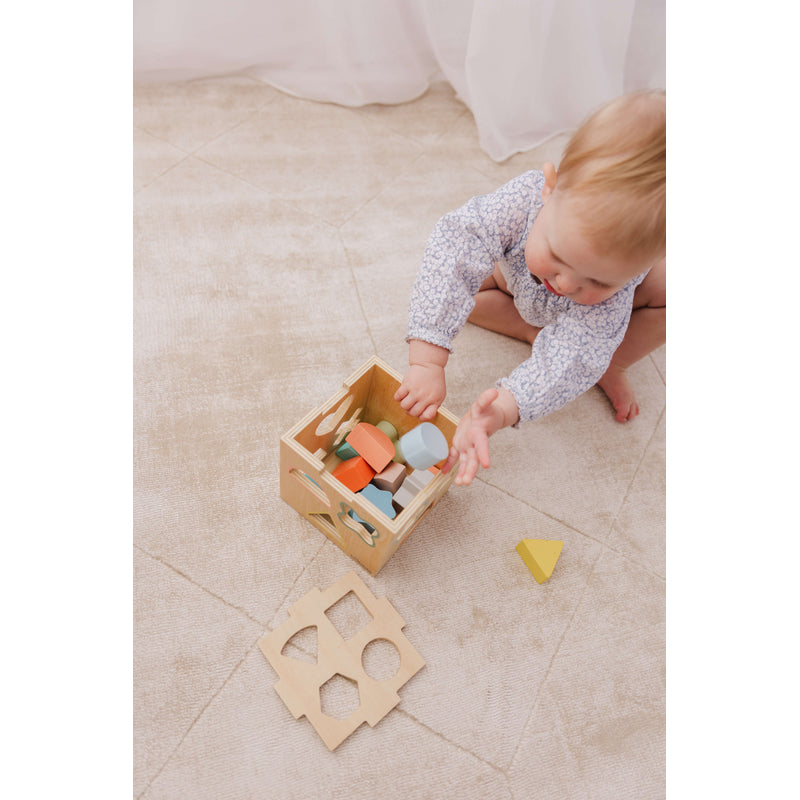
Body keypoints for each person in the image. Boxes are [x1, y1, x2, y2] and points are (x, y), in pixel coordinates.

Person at [393, 89, 666, 486]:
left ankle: (614, 362)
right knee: (456, 286)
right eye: (559, 254)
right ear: (549, 188)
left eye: (599, 279)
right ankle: (530, 329)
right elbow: (456, 245)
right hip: (513, 280)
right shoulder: (521, 200)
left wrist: (503, 408)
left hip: (596, 320)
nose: (568, 283)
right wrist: (427, 358)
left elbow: (571, 359)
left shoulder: (613, 296)